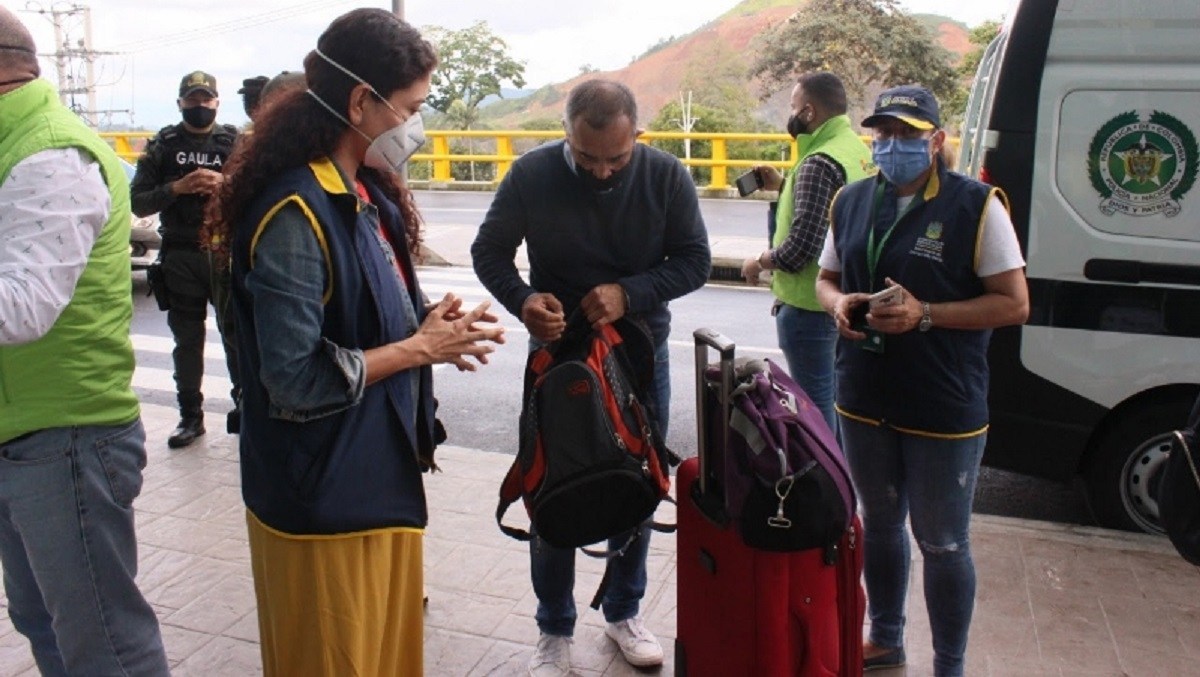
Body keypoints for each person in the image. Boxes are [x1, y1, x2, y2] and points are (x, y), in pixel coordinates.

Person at [206, 8, 504, 675]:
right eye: (411, 107)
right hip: (319, 501)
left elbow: (370, 310)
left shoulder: (367, 194)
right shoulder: (295, 211)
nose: (417, 127)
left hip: (378, 481)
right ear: (361, 101)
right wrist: (417, 349)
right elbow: (293, 375)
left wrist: (435, 326)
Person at [472, 78, 711, 676]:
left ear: (638, 137)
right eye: (587, 158)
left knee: (640, 478)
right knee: (552, 481)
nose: (603, 172)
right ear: (566, 135)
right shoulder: (531, 175)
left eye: (616, 158)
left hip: (640, 354)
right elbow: (489, 251)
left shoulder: (666, 176)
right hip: (561, 360)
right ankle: (554, 627)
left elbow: (694, 261)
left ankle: (624, 610)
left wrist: (630, 294)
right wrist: (523, 299)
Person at [814, 85, 1029, 677]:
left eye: (907, 135)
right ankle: (885, 637)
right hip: (863, 394)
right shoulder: (851, 201)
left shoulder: (978, 206)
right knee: (879, 527)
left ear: (936, 141)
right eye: (882, 135)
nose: (891, 146)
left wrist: (925, 314)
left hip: (943, 402)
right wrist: (837, 304)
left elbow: (1014, 304)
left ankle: (949, 664)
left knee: (942, 542)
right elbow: (826, 278)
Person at [0, 8, 169, 675]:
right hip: (27, 431)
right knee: (45, 623)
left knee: (104, 643)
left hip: (66, 436)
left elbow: (23, 306)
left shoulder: (48, 152)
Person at [739, 71, 873, 432]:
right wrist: (782, 185)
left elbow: (802, 247)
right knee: (837, 403)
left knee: (816, 413)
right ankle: (848, 481)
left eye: (795, 107)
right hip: (846, 300)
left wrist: (759, 261)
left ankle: (831, 486)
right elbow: (831, 215)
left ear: (810, 112)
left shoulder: (817, 162)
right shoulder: (855, 150)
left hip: (809, 306)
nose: (792, 114)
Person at [130, 70, 241, 447]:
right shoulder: (163, 145)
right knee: (187, 340)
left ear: (216, 102)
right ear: (180, 103)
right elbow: (138, 200)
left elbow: (260, 187)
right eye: (192, 100)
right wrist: (177, 188)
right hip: (180, 254)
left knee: (236, 336)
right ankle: (190, 417)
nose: (199, 106)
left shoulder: (232, 142)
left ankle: (244, 409)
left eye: (205, 99)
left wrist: (224, 184)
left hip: (223, 253)